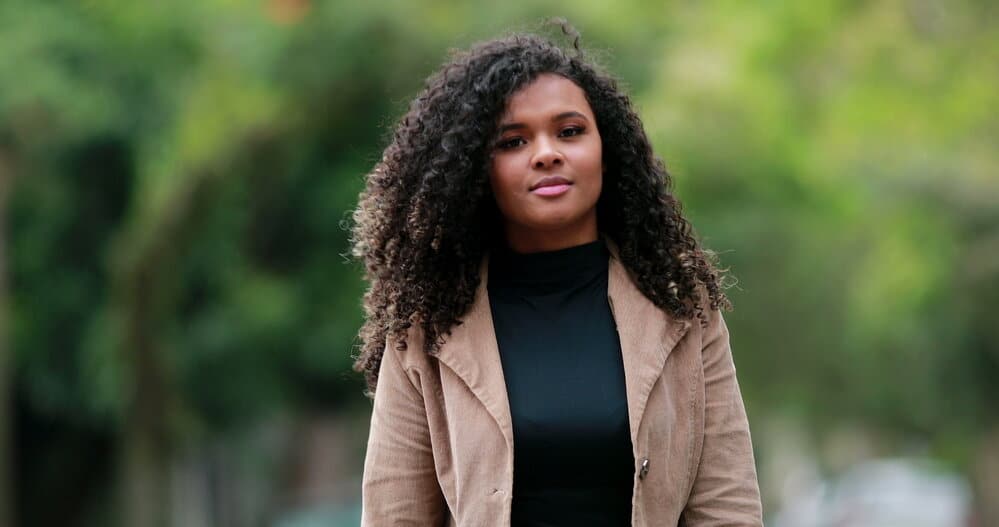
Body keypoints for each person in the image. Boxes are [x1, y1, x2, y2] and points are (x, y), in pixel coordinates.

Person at [350, 21, 763, 527]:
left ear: (606, 152)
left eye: (569, 131)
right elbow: (397, 518)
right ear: (476, 172)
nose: (547, 152)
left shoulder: (681, 310)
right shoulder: (425, 328)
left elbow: (727, 509)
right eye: (513, 141)